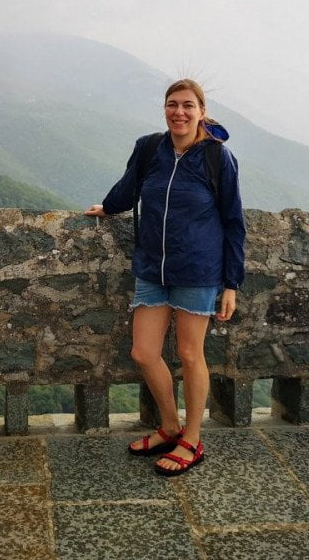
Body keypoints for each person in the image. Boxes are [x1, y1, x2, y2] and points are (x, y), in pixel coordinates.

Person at [85, 78, 246, 476]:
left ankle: (192, 439)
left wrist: (231, 284)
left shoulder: (217, 159)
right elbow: (129, 189)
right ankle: (169, 426)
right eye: (173, 104)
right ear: (164, 109)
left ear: (201, 112)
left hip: (197, 269)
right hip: (151, 267)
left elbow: (233, 221)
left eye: (188, 105)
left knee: (191, 354)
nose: (179, 112)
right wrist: (107, 207)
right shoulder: (149, 148)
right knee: (143, 351)